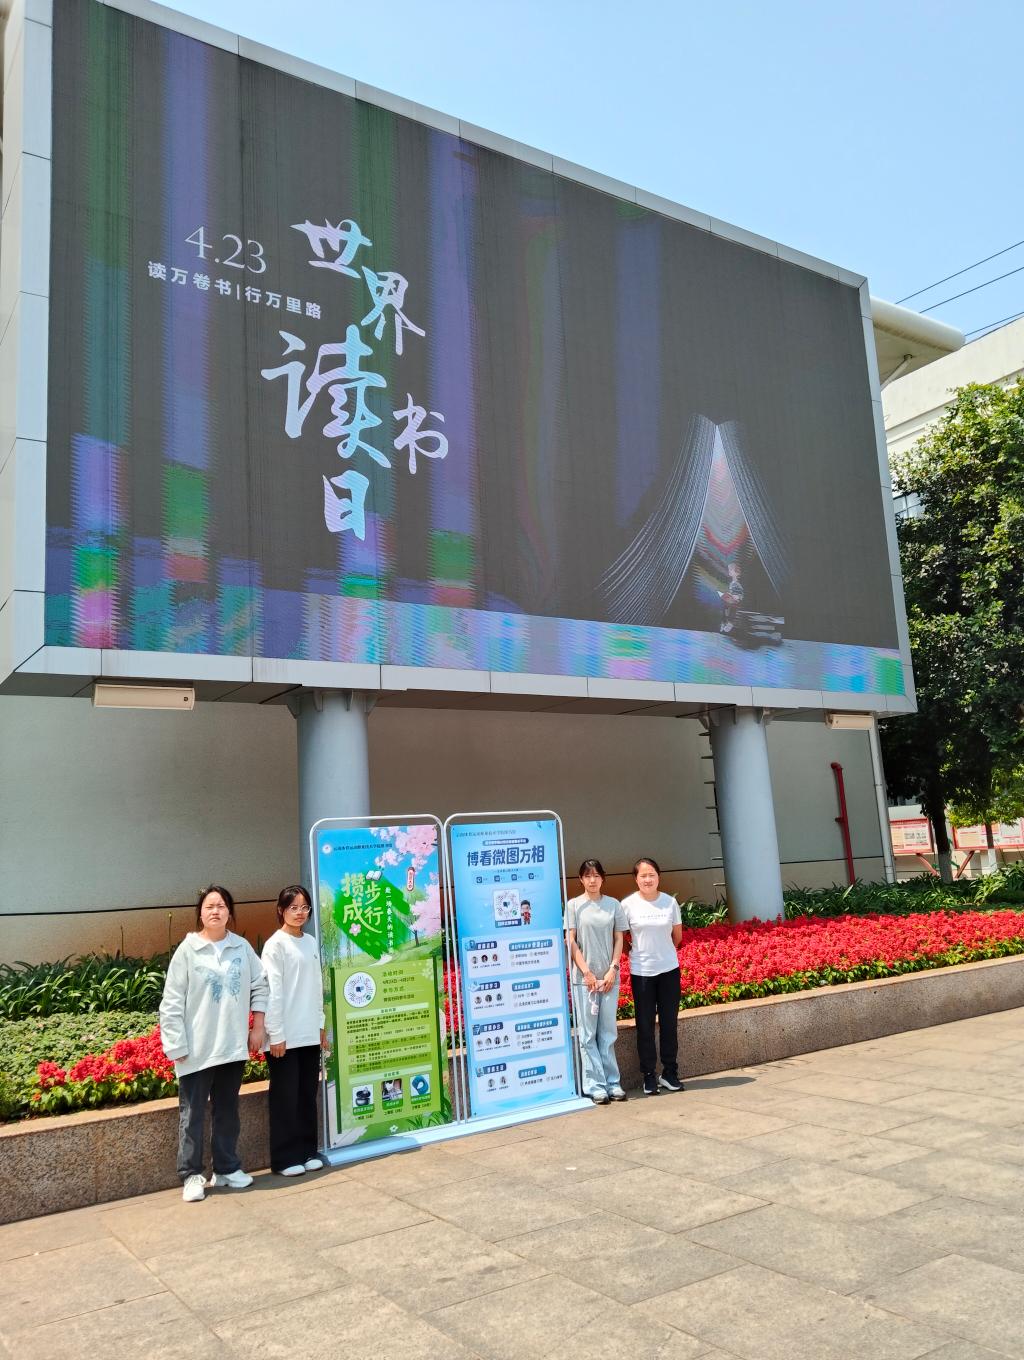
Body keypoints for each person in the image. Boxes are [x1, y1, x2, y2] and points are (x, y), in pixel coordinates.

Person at [159, 886, 268, 1202]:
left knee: (227, 1111)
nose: (216, 911)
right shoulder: (188, 950)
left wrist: (257, 1026)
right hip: (197, 1049)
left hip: (231, 1047)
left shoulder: (241, 947)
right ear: (201, 913)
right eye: (209, 906)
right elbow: (171, 1001)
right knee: (192, 1114)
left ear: (229, 912)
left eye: (221, 906)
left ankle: (226, 1168)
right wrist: (176, 1044)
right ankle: (191, 1175)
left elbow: (260, 985)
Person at [261, 884, 327, 1177]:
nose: (300, 913)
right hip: (284, 1037)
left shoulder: (310, 942)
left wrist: (320, 1025)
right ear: (281, 910)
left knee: (306, 1095)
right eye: (293, 908)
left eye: (304, 908)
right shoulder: (275, 945)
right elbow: (272, 993)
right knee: (285, 1097)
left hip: (308, 1032)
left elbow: (316, 986)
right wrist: (275, 1034)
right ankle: (285, 1158)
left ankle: (307, 1151)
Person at [565, 859, 627, 1104]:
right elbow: (571, 941)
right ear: (581, 879)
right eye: (587, 876)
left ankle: (613, 1082)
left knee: (608, 1032)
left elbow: (619, 939)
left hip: (610, 978)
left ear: (603, 878)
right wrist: (587, 973)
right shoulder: (573, 905)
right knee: (587, 1034)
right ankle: (595, 1085)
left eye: (596, 875)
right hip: (584, 981)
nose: (592, 880)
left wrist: (613, 969)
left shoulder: (613, 905)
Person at [621, 858, 683, 1096]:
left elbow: (677, 937)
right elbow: (621, 938)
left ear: (659, 876)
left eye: (652, 875)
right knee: (645, 1025)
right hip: (642, 972)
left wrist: (662, 953)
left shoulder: (670, 902)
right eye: (643, 875)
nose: (647, 879)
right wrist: (634, 953)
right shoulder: (627, 905)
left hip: (669, 970)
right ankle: (648, 1075)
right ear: (636, 879)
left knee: (669, 1023)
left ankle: (670, 1072)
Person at [719, 561, 744, 634]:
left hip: (735, 602)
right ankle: (724, 624)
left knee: (731, 610)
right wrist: (728, 595)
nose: (729, 571)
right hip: (730, 601)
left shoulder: (737, 584)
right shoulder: (732, 583)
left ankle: (729, 624)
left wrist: (736, 597)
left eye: (731, 570)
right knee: (725, 608)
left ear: (737, 573)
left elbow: (740, 595)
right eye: (729, 569)